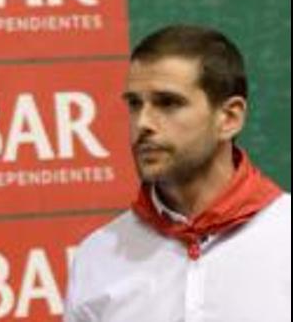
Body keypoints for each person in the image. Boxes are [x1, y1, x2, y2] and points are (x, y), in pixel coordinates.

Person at [65, 24, 290, 321]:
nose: (143, 122)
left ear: (229, 118)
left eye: (168, 103)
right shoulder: (97, 257)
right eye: (134, 104)